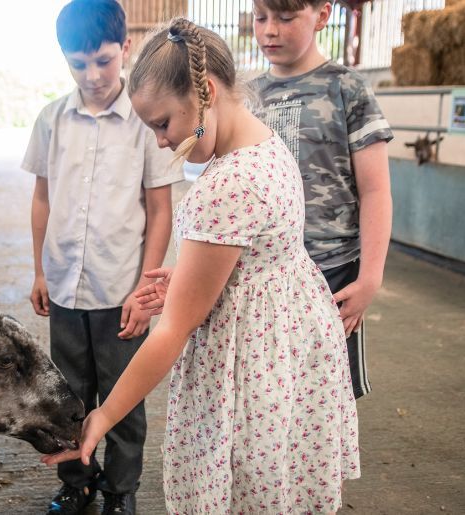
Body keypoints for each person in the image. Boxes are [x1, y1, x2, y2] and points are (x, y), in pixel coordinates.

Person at [43, 18, 359, 514]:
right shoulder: (265, 143)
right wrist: (189, 278)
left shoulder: (225, 186)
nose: (163, 142)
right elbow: (257, 257)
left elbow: (171, 334)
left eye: (164, 124)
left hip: (247, 364)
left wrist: (102, 416)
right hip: (286, 345)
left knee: (238, 487)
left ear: (206, 92)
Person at [21, 1, 183, 513]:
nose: (92, 74)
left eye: (104, 60)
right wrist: (39, 270)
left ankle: (120, 490)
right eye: (79, 63)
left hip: (120, 292)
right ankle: (75, 482)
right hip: (66, 287)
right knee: (66, 395)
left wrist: (144, 289)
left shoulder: (145, 123)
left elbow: (160, 210)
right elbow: (43, 198)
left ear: (125, 49)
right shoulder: (52, 120)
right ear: (64, 59)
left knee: (124, 396)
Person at [250, 0, 394, 398]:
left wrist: (370, 277)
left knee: (328, 397)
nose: (269, 31)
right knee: (268, 396)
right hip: (265, 277)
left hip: (333, 273)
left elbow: (376, 190)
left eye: (285, 17)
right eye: (261, 18)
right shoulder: (247, 98)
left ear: (322, 15)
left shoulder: (347, 89)